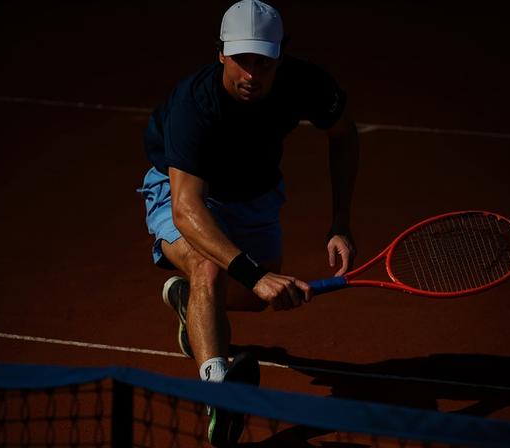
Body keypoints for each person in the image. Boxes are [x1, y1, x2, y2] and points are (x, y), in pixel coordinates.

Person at [137, 0, 358, 445]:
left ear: (282, 54)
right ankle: (219, 393)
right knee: (211, 268)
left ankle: (188, 302)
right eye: (241, 60)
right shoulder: (194, 105)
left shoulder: (306, 84)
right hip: (181, 190)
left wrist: (340, 222)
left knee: (252, 299)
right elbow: (187, 209)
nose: (252, 74)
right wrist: (255, 274)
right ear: (221, 52)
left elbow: (344, 134)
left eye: (263, 61)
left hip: (253, 192)